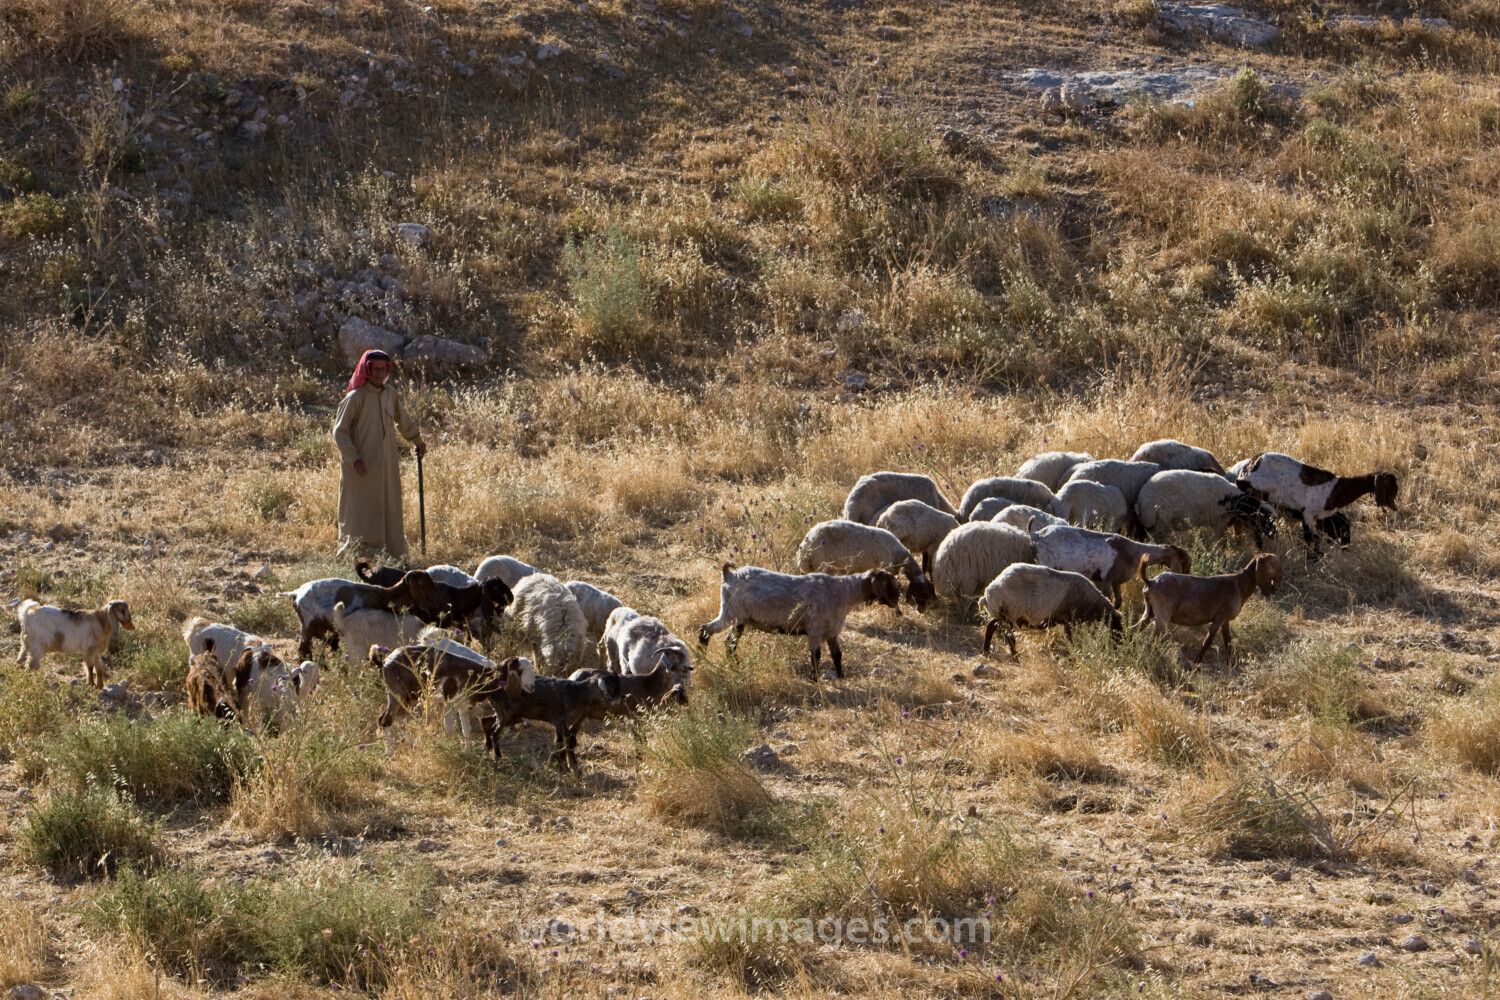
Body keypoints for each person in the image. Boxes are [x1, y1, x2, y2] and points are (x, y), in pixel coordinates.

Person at [331, 349, 427, 559]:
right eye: (376, 369)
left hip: (386, 468)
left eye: (384, 369)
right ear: (368, 369)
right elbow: (340, 432)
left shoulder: (390, 394)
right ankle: (357, 557)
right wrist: (354, 458)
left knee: (388, 508)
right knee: (359, 512)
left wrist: (417, 441)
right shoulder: (356, 397)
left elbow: (403, 421)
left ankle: (391, 558)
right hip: (360, 469)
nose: (380, 373)